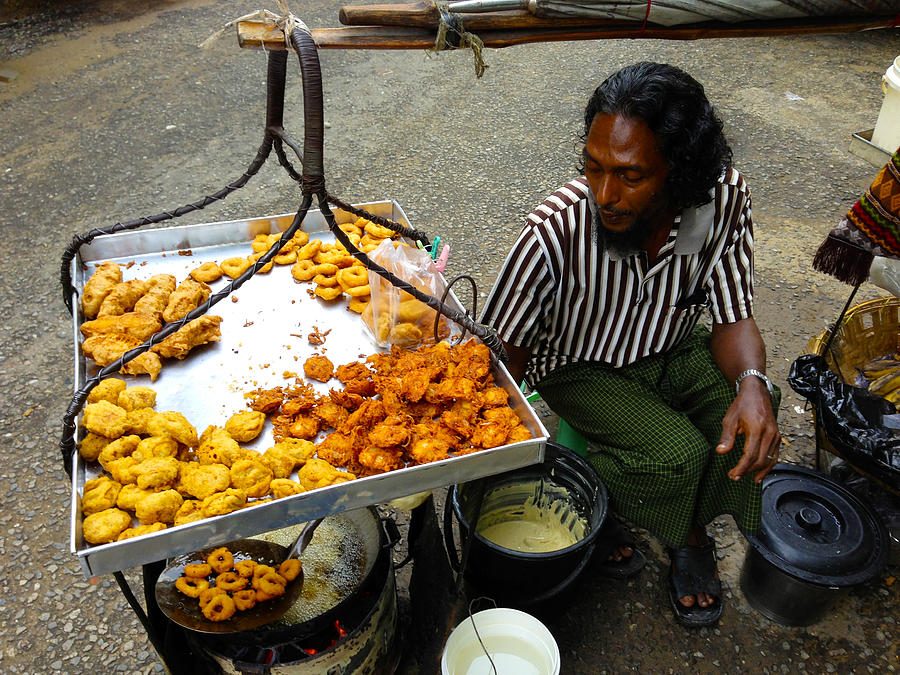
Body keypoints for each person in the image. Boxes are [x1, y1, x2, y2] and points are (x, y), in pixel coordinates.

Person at [479, 61, 782, 627]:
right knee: (675, 455)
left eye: (630, 175)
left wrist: (752, 384)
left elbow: (733, 318)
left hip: (668, 345)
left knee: (751, 409)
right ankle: (615, 507)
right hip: (578, 363)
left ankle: (686, 527)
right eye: (593, 168)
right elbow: (502, 364)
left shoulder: (723, 201)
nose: (604, 194)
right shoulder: (555, 230)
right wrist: (478, 450)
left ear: (681, 173)